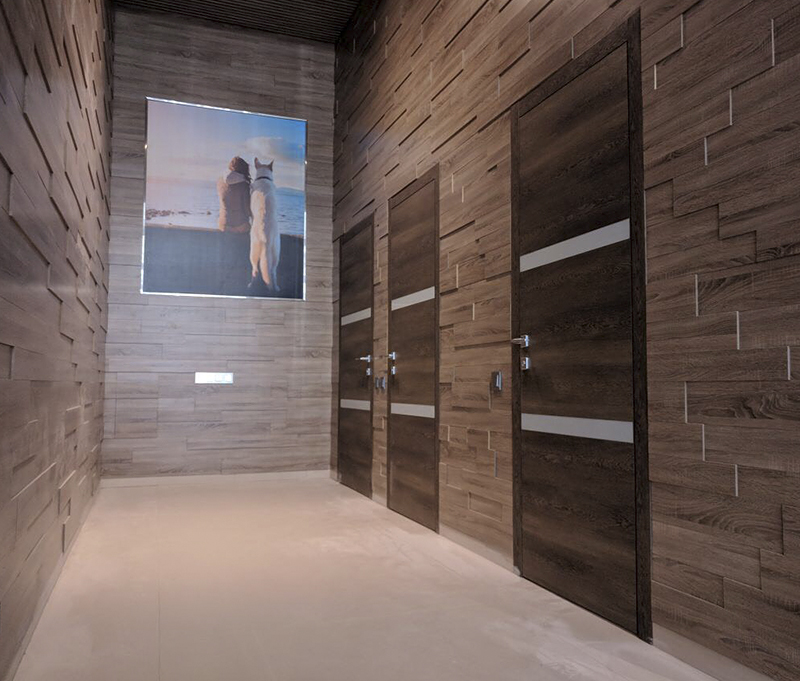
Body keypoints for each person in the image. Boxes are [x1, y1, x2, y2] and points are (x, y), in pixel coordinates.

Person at [217, 156, 251, 232]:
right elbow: (247, 210)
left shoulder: (220, 181)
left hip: (223, 225)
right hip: (240, 225)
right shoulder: (244, 185)